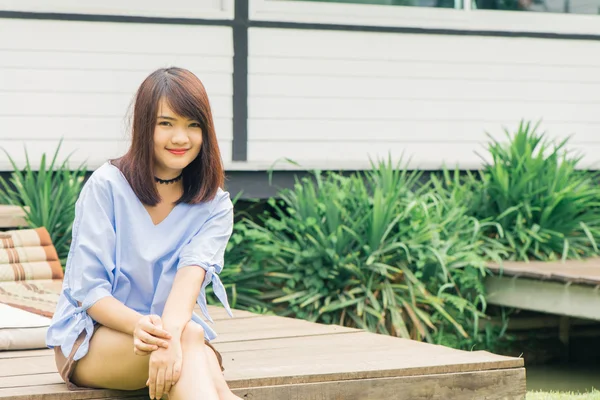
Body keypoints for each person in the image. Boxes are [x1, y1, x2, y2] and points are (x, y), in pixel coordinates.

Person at [46, 67, 241, 400]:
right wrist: (143, 327)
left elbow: (187, 286)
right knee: (191, 342)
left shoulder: (215, 205)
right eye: (166, 123)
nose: (181, 138)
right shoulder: (107, 186)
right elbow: (89, 291)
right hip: (94, 339)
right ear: (143, 125)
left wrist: (166, 334)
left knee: (193, 347)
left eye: (193, 125)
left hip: (173, 332)